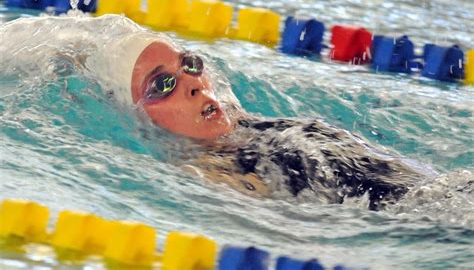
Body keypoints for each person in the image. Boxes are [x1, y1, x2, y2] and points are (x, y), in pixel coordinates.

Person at [128, 37, 428, 210]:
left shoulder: (253, 125)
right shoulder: (210, 176)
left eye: (190, 64)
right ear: (139, 116)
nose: (192, 83)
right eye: (163, 84)